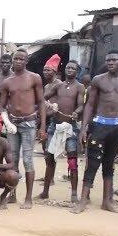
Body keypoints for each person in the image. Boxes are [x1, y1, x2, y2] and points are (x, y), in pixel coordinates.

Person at [71, 49, 118, 214]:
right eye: (108, 60)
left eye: (114, 60)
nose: (111, 63)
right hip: (99, 126)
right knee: (92, 163)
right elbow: (90, 105)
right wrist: (84, 128)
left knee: (109, 164)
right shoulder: (98, 80)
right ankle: (83, 200)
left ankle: (106, 201)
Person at [0, 48, 46, 209]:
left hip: (29, 123)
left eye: (21, 59)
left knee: (27, 160)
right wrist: (7, 122)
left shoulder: (34, 78)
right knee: (13, 160)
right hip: (12, 124)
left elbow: (41, 103)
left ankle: (28, 198)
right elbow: (2, 106)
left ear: (26, 61)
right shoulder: (7, 82)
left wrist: (42, 127)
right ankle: (12, 195)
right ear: (12, 60)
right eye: (16, 59)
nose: (18, 61)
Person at [36, 60, 85, 203]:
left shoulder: (80, 87)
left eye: (73, 68)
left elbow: (81, 105)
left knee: (72, 160)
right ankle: (45, 192)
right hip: (54, 127)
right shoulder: (59, 85)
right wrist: (48, 105)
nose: (70, 70)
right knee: (50, 159)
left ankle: (74, 195)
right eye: (68, 68)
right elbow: (42, 98)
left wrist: (76, 112)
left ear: (77, 71)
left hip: (70, 127)